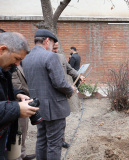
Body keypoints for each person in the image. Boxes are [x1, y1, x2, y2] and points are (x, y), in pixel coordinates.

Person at [22, 29, 75, 160]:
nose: (53, 47)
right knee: (54, 143)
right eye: (52, 43)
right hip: (54, 109)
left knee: (41, 140)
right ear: (47, 40)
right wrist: (71, 90)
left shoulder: (26, 57)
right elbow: (60, 83)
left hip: (37, 107)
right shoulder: (50, 56)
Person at [0, 32, 39, 159]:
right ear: (3, 50)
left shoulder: (5, 69)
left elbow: (4, 90)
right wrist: (17, 109)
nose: (17, 64)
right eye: (17, 58)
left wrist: (18, 95)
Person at [52, 42, 85, 149]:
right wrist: (69, 90)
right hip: (51, 94)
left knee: (61, 121)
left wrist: (79, 76)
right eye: (54, 48)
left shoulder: (61, 57)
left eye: (57, 48)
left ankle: (62, 140)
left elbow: (69, 69)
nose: (56, 50)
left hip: (61, 95)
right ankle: (53, 143)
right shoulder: (44, 58)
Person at [12, 63, 36, 160]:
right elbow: (17, 86)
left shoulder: (21, 64)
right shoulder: (10, 66)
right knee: (18, 132)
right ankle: (17, 156)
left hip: (23, 100)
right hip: (16, 104)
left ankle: (22, 154)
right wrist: (33, 92)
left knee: (24, 130)